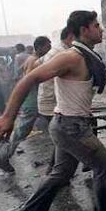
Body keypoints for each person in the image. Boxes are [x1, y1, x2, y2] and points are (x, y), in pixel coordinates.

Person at [0, 10, 106, 211]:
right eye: (96, 26)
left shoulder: (84, 56)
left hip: (67, 124)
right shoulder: (72, 57)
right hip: (71, 127)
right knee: (104, 166)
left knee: (61, 174)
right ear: (84, 30)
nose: (101, 30)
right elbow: (29, 79)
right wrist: (7, 117)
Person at [0, 36, 52, 173]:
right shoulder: (35, 60)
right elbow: (30, 80)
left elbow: (19, 74)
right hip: (33, 101)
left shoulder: (30, 59)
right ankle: (2, 156)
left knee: (57, 129)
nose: (49, 49)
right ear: (41, 47)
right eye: (48, 46)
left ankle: (57, 167)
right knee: (22, 131)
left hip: (36, 100)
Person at [35, 27, 75, 175]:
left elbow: (36, 65)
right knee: (63, 139)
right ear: (71, 36)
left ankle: (56, 171)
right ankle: (55, 173)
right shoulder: (60, 52)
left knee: (61, 139)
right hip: (51, 103)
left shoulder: (58, 51)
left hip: (49, 102)